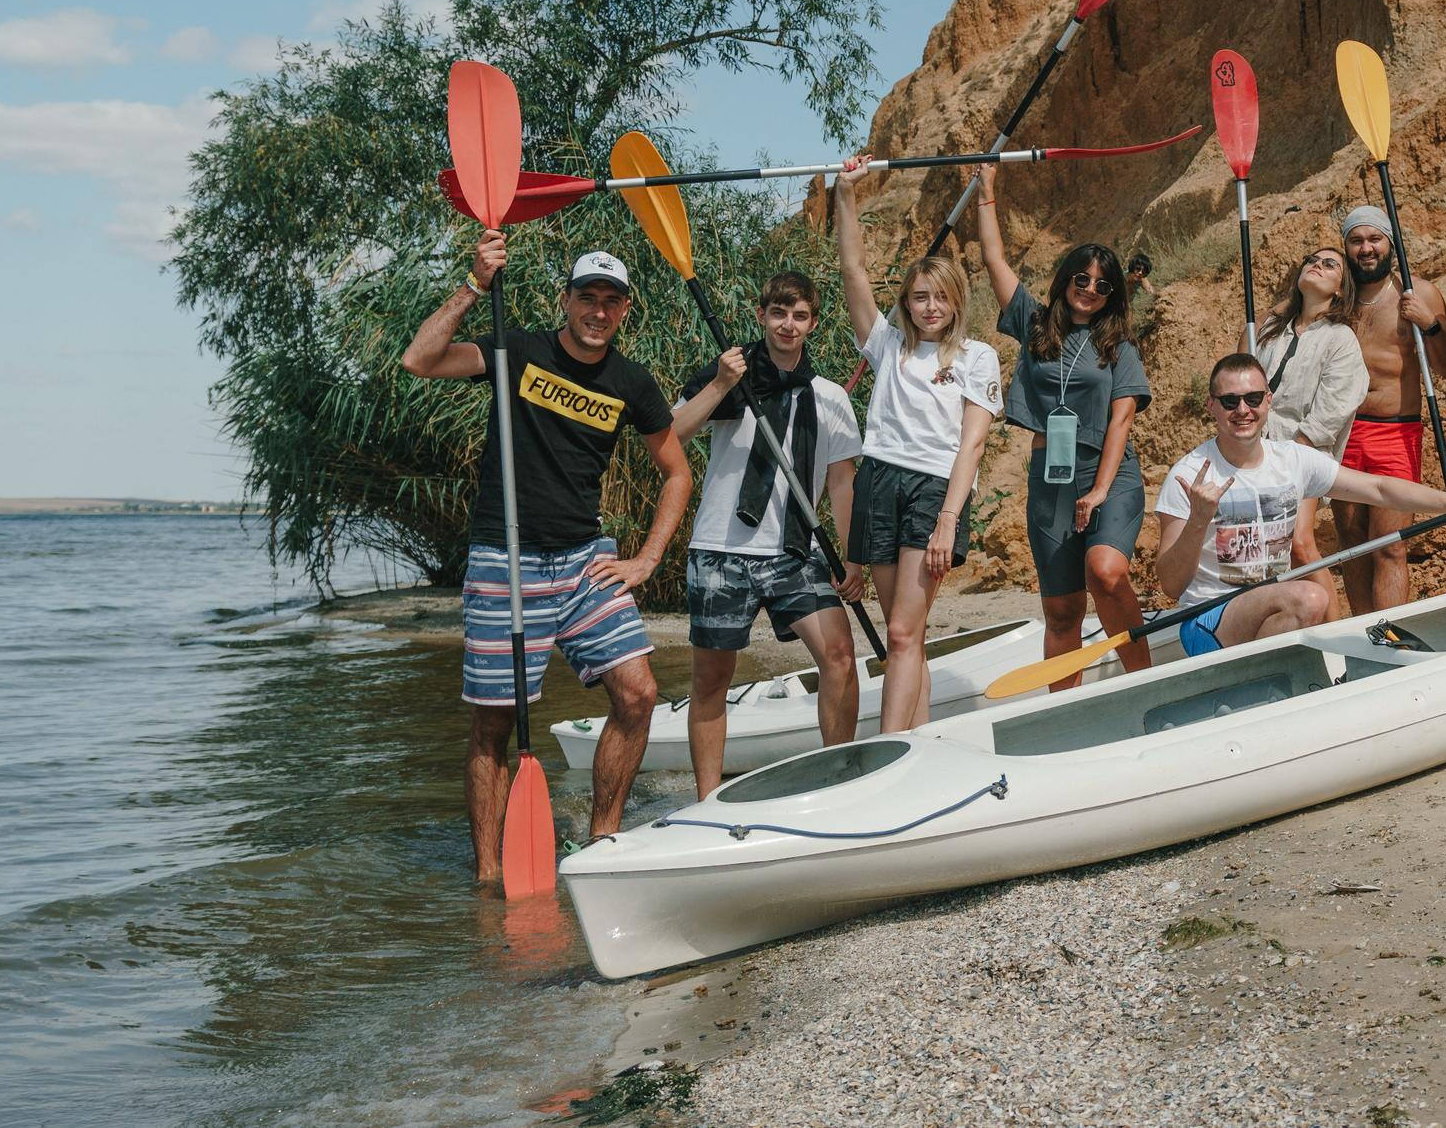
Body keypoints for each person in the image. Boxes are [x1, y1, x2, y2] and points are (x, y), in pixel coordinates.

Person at [401, 235, 690, 884]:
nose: (597, 310)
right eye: (586, 296)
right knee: (494, 723)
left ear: (623, 311)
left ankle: (601, 843)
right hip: (506, 559)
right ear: (567, 300)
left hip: (587, 560)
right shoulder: (517, 350)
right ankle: (488, 875)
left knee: (639, 693)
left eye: (610, 301)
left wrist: (646, 558)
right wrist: (476, 283)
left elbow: (676, 472)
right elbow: (419, 359)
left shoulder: (630, 382)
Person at [668, 270, 864, 796]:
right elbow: (671, 437)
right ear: (761, 315)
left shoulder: (830, 399)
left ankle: (839, 780)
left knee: (841, 657)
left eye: (800, 315)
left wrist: (853, 559)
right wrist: (720, 384)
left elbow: (842, 485)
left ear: (813, 323)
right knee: (712, 682)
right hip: (719, 551)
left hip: (795, 552)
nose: (788, 324)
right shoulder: (729, 378)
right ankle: (707, 798)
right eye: (778, 313)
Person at [1155, 355, 1446, 655]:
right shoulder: (1189, 475)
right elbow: (1171, 585)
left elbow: (1379, 488)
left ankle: (1268, 689)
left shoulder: (1292, 460)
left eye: (1253, 398)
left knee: (1303, 601)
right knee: (1310, 598)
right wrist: (1199, 520)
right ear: (1211, 405)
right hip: (1208, 621)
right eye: (1230, 401)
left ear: (1268, 400)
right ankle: (1257, 688)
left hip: (1271, 610)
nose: (1243, 410)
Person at [834, 159, 1002, 730]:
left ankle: (886, 752)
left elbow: (973, 446)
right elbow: (853, 269)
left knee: (902, 632)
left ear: (956, 301)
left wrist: (949, 519)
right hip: (878, 481)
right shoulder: (886, 346)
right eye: (918, 297)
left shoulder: (977, 357)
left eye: (940, 297)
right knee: (907, 634)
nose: (929, 307)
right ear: (905, 303)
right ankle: (922, 743)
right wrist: (844, 193)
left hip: (934, 490)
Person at [974, 166, 1155, 684]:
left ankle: (1145, 679)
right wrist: (986, 192)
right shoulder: (1034, 322)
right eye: (1082, 279)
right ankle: (1064, 709)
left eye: (1102, 285)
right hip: (1050, 480)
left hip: (1108, 473)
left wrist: (1099, 490)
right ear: (1065, 280)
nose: (1090, 290)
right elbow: (994, 260)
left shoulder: (1118, 345)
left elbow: (1121, 421)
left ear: (1113, 292)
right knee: (1061, 611)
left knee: (1106, 571)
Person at [1331, 205, 1446, 614]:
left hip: (1396, 432)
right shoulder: (1337, 300)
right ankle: (1363, 635)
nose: (1366, 248)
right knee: (1352, 547)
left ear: (1390, 243)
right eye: (1357, 240)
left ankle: (1389, 634)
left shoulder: (1418, 293)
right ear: (1347, 247)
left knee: (1389, 546)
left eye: (1375, 239)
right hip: (1344, 432)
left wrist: (1430, 324)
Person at [1252, 246, 1368, 577]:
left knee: (1299, 543)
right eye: (1311, 261)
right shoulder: (1273, 329)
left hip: (1300, 454)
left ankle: (1330, 622)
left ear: (1341, 289)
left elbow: (1334, 408)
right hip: (1256, 450)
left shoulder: (1340, 338)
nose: (1316, 266)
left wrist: (1289, 457)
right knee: (1262, 549)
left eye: (1329, 265)